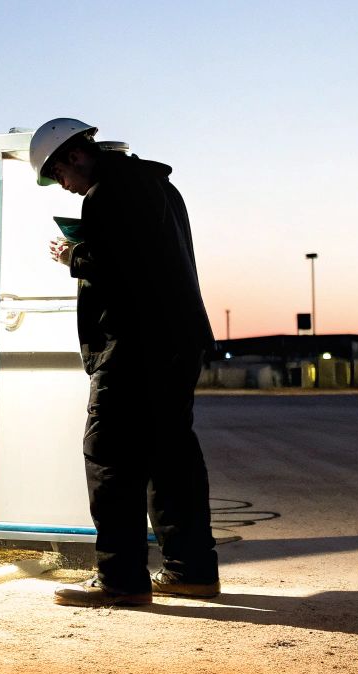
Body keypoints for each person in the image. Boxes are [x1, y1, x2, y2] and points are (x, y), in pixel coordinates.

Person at [29, 118, 221, 607]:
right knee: (171, 457)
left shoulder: (108, 193)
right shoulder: (158, 186)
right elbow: (147, 258)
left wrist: (73, 255)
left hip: (136, 346)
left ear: (74, 156)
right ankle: (190, 572)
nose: (63, 188)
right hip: (176, 343)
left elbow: (121, 265)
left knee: (110, 455)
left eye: (57, 175)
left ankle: (120, 579)